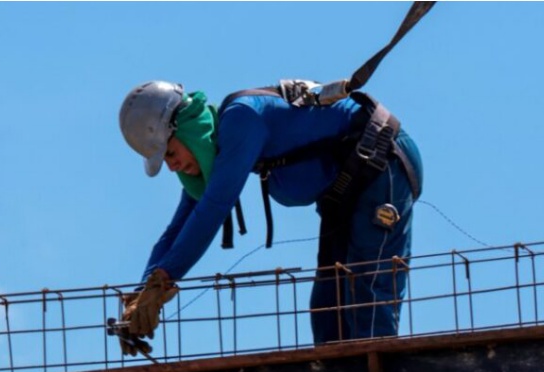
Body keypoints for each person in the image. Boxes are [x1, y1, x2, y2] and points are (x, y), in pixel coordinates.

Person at [116, 80, 423, 355]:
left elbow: (213, 208)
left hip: (380, 163)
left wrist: (165, 278)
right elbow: (178, 228)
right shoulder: (219, 150)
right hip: (345, 192)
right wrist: (145, 291)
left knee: (366, 297)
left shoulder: (240, 119)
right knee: (328, 311)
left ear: (185, 129)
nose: (172, 167)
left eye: (170, 154)